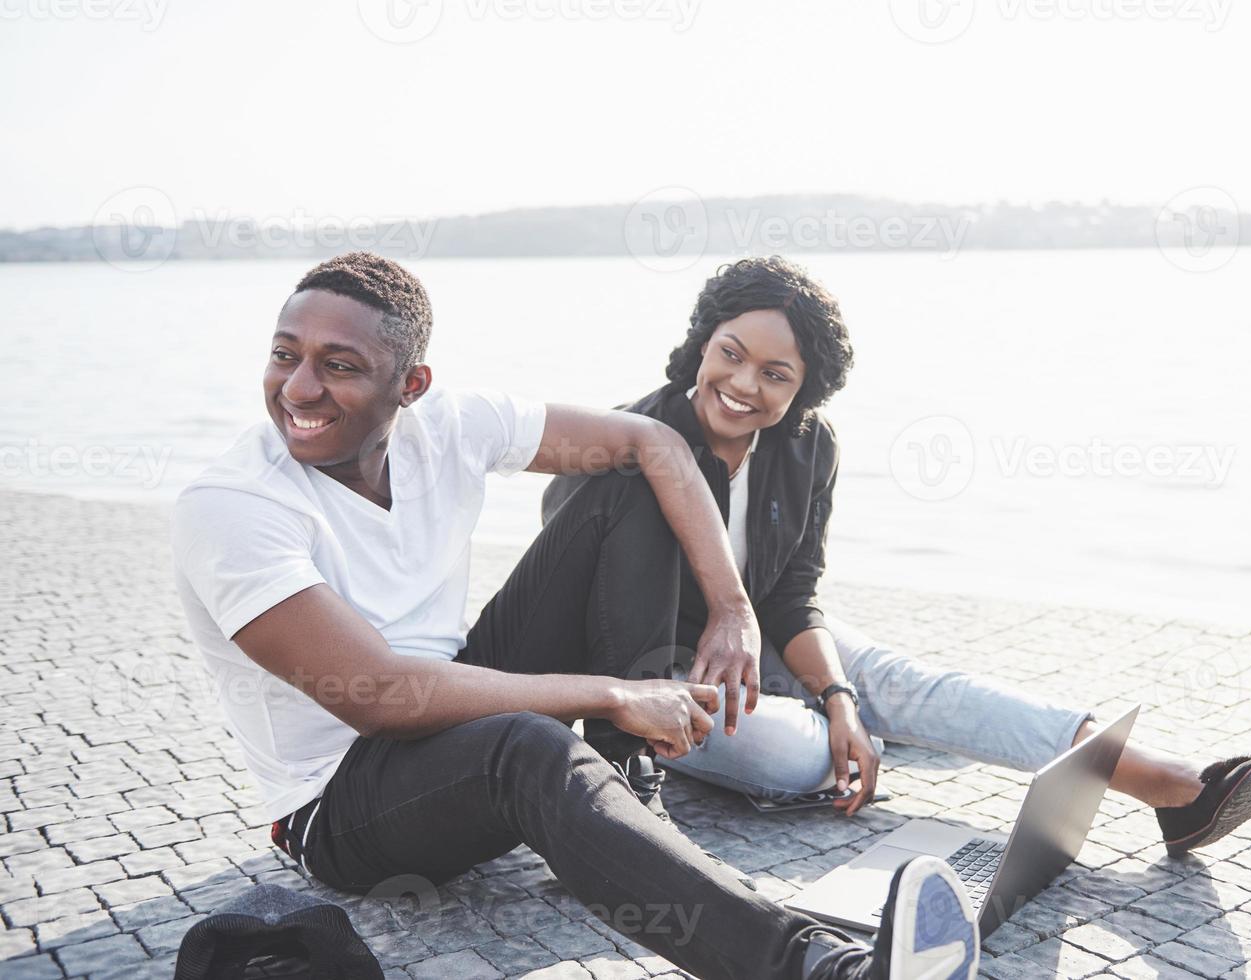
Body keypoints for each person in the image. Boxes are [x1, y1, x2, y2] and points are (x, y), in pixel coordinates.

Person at [170, 251, 983, 980]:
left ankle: (628, 781)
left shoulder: (449, 423)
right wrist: (605, 693)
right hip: (342, 807)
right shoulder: (235, 506)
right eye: (285, 356)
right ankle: (819, 970)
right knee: (530, 743)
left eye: (338, 366)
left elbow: (654, 445)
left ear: (410, 386)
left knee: (626, 482)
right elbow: (378, 696)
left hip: (452, 709)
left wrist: (732, 612)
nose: (300, 389)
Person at [543, 256, 1251, 856]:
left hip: (760, 642)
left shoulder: (806, 446)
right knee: (798, 759)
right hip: (652, 678)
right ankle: (841, 730)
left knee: (891, 679)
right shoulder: (628, 442)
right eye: (731, 355)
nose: (743, 385)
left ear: (803, 389)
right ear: (703, 340)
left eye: (775, 374)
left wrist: (837, 697)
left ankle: (1170, 786)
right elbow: (574, 609)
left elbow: (793, 593)